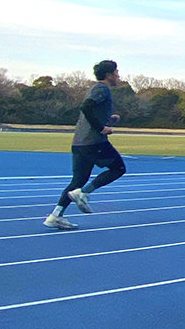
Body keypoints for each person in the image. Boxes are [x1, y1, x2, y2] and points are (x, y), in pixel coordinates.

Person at [44, 60, 126, 230]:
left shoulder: (95, 89)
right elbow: (86, 107)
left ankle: (55, 216)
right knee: (118, 168)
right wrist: (101, 127)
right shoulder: (102, 88)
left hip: (80, 143)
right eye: (116, 72)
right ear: (109, 74)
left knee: (78, 180)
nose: (118, 75)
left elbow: (91, 112)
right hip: (93, 142)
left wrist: (109, 120)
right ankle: (84, 193)